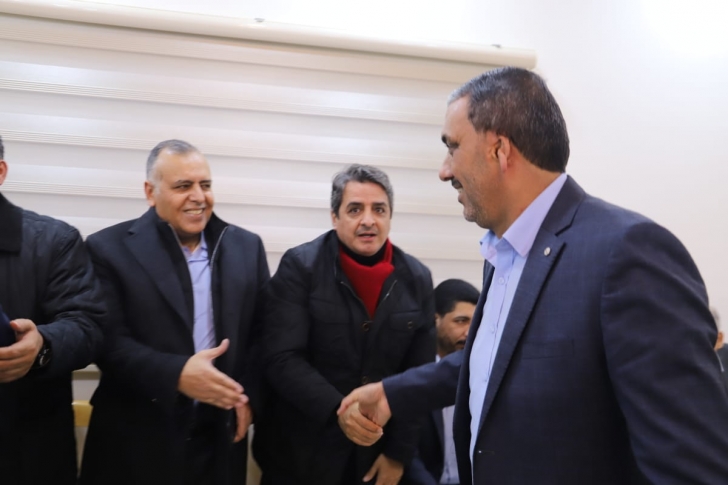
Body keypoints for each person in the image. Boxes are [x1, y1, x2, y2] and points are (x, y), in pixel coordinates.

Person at [339, 67, 728, 484]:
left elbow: (690, 464)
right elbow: (500, 361)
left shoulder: (629, 252)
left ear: (499, 150)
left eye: (453, 147)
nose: (444, 170)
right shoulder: (503, 253)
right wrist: (392, 393)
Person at [79, 140, 270, 485]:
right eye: (183, 186)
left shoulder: (246, 246)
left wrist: (249, 398)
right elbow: (106, 343)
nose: (198, 197)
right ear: (150, 192)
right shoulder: (107, 248)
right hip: (137, 439)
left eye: (205, 185)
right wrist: (177, 374)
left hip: (219, 438)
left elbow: (263, 334)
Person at [252, 164, 435, 485]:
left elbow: (419, 376)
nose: (368, 220)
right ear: (334, 217)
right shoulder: (300, 268)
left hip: (374, 457)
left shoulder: (417, 278)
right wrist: (339, 409)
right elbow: (281, 358)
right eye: (355, 209)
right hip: (301, 454)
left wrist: (398, 455)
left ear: (390, 216)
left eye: (379, 209)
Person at [0, 134, 106, 485]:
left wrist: (42, 346)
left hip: (26, 451)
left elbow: (88, 325)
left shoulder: (54, 240)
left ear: (0, 172)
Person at [406, 279, 478, 485]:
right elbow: (405, 449)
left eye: (476, 323)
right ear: (435, 320)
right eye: (461, 321)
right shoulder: (413, 374)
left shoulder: (482, 379)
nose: (469, 333)